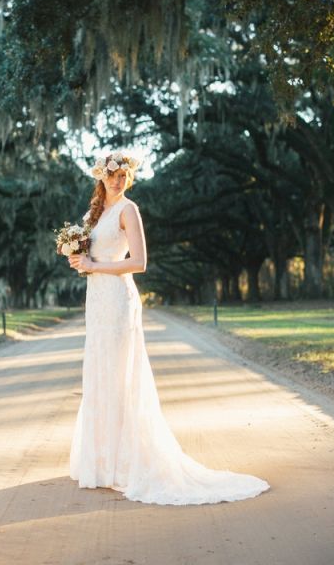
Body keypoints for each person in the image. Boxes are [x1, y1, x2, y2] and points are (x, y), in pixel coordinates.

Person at [68, 151, 269, 506]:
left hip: (117, 300)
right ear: (101, 177)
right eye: (113, 175)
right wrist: (79, 261)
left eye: (123, 176)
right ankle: (102, 462)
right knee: (99, 374)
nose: (118, 180)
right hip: (96, 301)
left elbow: (140, 262)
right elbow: (90, 258)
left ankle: (128, 462)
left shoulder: (129, 210)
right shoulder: (94, 214)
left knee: (120, 376)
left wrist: (94, 265)